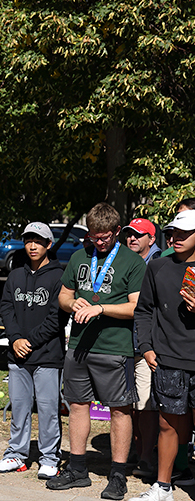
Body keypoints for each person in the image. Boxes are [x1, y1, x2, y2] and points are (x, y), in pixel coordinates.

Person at [47, 202, 146, 500]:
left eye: (104, 237)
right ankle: (78, 470)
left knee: (119, 409)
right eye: (94, 236)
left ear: (116, 231)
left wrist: (101, 307)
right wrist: (72, 304)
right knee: (77, 405)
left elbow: (136, 306)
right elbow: (64, 296)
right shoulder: (80, 256)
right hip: (78, 345)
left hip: (115, 348)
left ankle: (117, 475)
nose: (98, 242)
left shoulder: (132, 261)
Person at [0, 223, 67, 480]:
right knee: (19, 408)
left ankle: (49, 458)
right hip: (17, 354)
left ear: (49, 244)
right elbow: (6, 309)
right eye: (28, 240)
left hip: (46, 355)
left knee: (48, 409)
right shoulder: (15, 275)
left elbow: (57, 318)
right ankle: (16, 455)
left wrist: (28, 341)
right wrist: (14, 339)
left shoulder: (59, 276)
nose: (32, 246)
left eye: (38, 241)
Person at [130, 209, 195, 501]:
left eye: (185, 233)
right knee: (167, 425)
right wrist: (145, 345)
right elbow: (144, 310)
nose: (176, 237)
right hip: (168, 359)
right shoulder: (157, 267)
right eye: (174, 232)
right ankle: (163, 488)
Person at [123, 218, 160, 480]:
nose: (132, 239)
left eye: (139, 235)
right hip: (125, 343)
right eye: (129, 235)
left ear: (152, 238)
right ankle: (134, 453)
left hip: (149, 346)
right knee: (130, 404)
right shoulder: (123, 261)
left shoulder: (158, 264)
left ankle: (147, 457)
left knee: (147, 405)